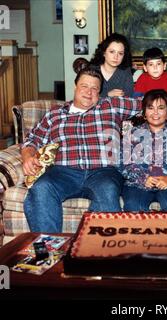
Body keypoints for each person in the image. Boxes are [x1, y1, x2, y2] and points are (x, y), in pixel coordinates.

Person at [22, 66, 141, 233]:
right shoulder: (54, 114)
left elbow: (153, 102)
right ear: (75, 87)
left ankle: (99, 253)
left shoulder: (112, 105)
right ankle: (49, 251)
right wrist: (28, 156)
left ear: (100, 93)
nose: (89, 92)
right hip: (63, 172)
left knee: (107, 190)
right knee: (41, 188)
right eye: (84, 86)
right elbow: (32, 140)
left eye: (94, 88)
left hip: (103, 172)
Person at [122, 89, 167, 213]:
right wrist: (143, 178)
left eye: (161, 108)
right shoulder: (132, 134)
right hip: (140, 182)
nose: (155, 113)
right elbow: (123, 163)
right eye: (150, 108)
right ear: (144, 112)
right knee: (134, 205)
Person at [90, 32, 134, 98]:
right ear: (104, 53)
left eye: (120, 53)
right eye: (112, 52)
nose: (116, 57)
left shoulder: (126, 72)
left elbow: (128, 98)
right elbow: (87, 96)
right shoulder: (92, 70)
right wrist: (107, 94)